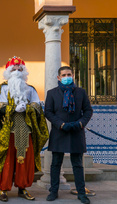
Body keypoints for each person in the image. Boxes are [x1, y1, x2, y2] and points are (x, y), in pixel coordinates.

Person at [0, 56, 49, 202]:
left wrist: (26, 108)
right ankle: (3, 188)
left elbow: (37, 107)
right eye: (13, 69)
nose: (17, 71)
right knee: (7, 160)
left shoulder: (30, 89)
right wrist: (15, 108)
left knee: (25, 161)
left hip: (26, 129)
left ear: (24, 72)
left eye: (19, 69)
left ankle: (23, 188)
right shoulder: (2, 88)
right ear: (8, 72)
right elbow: (0, 107)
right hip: (7, 130)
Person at [44, 66, 93, 204]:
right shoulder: (52, 93)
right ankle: (53, 192)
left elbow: (88, 110)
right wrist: (60, 124)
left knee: (77, 164)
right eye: (64, 75)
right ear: (59, 78)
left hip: (76, 131)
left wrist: (80, 123)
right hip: (59, 131)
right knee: (55, 164)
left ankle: (81, 193)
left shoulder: (81, 92)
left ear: (73, 75)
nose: (67, 77)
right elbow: (48, 112)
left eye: (69, 74)